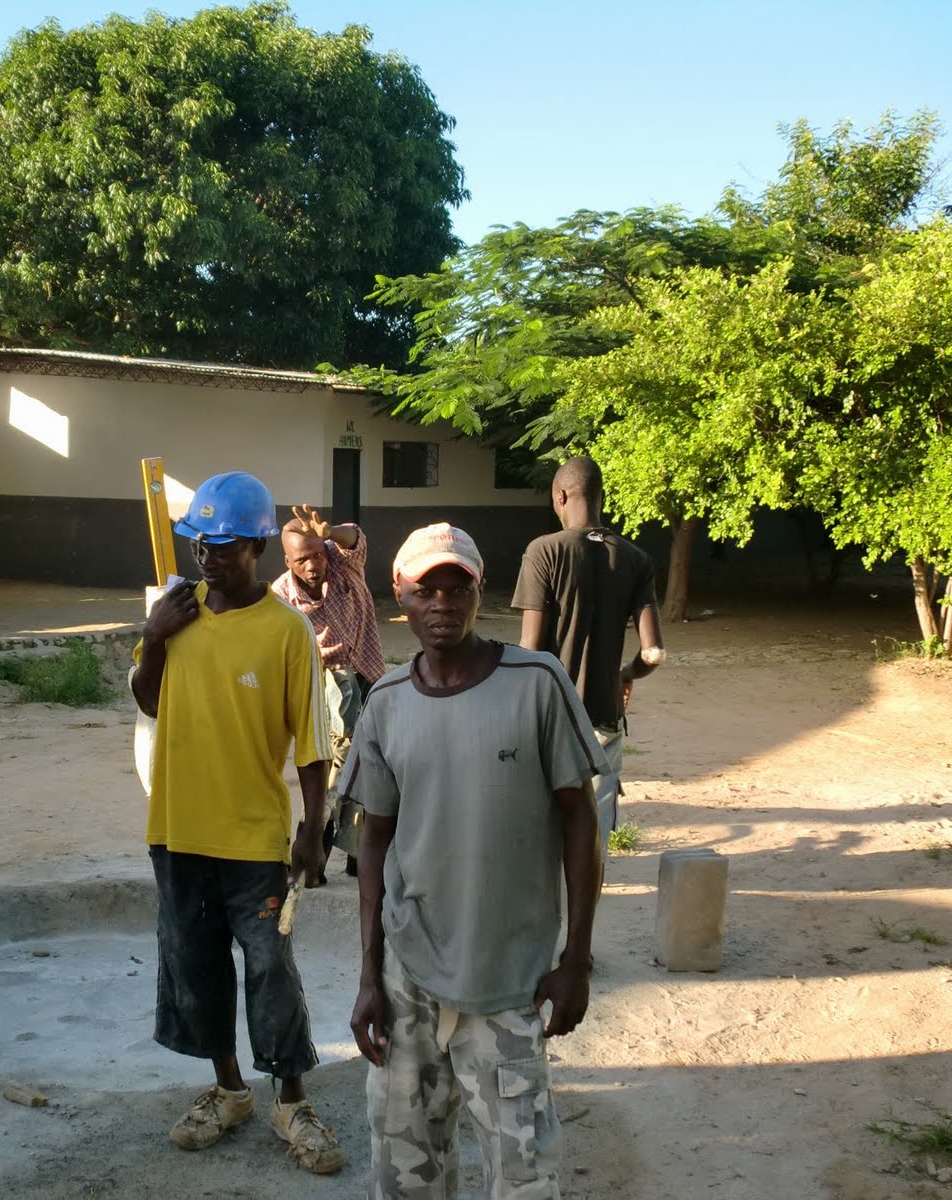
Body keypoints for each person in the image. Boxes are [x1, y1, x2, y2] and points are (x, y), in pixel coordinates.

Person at [341, 523, 606, 1199]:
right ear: (399, 595)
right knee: (406, 1172)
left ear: (479, 592)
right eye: (425, 589)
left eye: (456, 588)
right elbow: (374, 840)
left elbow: (580, 819)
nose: (442, 604)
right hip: (408, 980)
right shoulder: (386, 702)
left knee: (523, 1178)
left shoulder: (536, 683)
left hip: (508, 980)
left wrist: (575, 960)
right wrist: (370, 975)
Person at [130, 470, 346, 1176]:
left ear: (258, 546)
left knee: (270, 968)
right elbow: (149, 701)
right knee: (194, 965)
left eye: (223, 547)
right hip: (176, 830)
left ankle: (291, 1100)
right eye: (200, 546)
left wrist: (312, 829)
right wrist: (155, 637)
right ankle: (229, 1090)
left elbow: (312, 741)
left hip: (253, 837)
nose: (208, 559)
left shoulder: (286, 631)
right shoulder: (176, 612)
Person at [513, 455, 664, 841]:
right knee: (592, 840)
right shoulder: (636, 559)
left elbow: (530, 651)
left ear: (560, 496)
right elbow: (653, 652)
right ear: (601, 497)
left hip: (551, 721)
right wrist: (627, 674)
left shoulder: (544, 551)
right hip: (603, 722)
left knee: (543, 837)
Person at [271, 503, 386, 878]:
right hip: (327, 684)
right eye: (302, 559)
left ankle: (352, 854)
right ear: (287, 561)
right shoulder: (281, 598)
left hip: (369, 671)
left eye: (317, 554)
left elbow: (355, 538)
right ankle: (314, 848)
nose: (312, 565)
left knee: (371, 765)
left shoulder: (343, 562)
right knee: (345, 762)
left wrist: (330, 533)